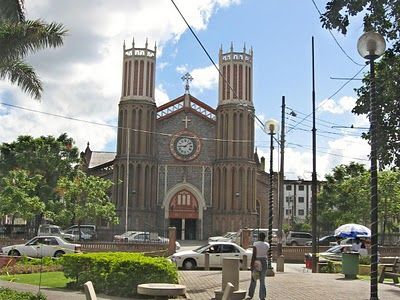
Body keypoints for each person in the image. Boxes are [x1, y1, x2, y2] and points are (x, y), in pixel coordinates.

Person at [245, 232, 269, 300]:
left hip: (257, 261)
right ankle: (262, 297)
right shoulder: (267, 244)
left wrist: (252, 265)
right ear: (264, 237)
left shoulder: (255, 244)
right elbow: (266, 254)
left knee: (254, 279)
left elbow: (254, 255)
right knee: (262, 280)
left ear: (259, 237)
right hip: (264, 261)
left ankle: (250, 295)